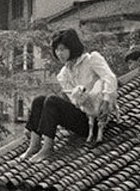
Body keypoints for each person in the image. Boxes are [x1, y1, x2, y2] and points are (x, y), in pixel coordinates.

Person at [20, 28, 118, 161]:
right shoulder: (63, 75)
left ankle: (48, 147)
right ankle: (34, 144)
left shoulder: (92, 60)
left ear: (72, 47)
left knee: (52, 100)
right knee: (39, 100)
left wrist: (106, 101)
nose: (59, 53)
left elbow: (110, 78)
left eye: (62, 49)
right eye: (57, 50)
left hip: (97, 120)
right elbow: (74, 103)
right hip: (80, 118)